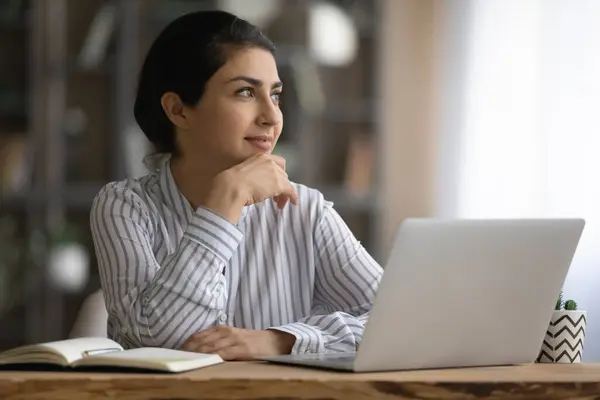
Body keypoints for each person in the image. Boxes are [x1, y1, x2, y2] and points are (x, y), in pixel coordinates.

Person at [90, 10, 383, 361]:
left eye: (274, 95)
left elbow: (397, 323)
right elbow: (158, 342)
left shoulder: (304, 210)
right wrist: (222, 207)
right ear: (178, 110)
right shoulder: (124, 206)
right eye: (245, 92)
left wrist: (280, 341)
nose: (272, 117)